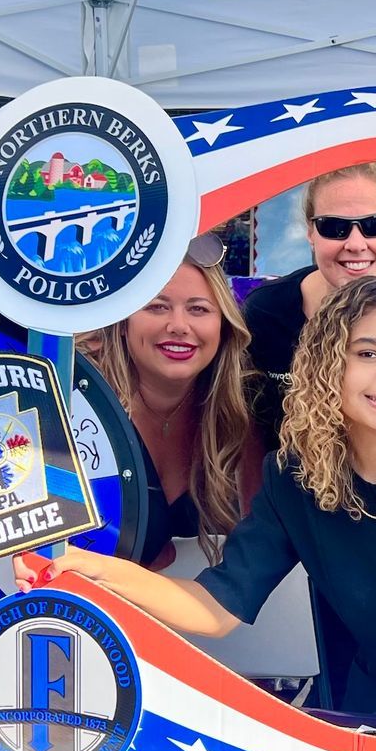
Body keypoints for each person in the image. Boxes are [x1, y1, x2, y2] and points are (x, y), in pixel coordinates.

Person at [21, 275, 376, 733]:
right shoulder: (295, 476)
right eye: (369, 353)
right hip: (374, 715)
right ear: (330, 364)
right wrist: (94, 571)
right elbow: (215, 608)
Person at [74, 236, 261, 569]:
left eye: (198, 309)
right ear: (123, 321)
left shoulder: (240, 411)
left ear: (223, 325)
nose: (178, 326)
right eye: (157, 306)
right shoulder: (79, 403)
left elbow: (258, 549)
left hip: (199, 612)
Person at [242, 162, 376, 453]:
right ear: (311, 232)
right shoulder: (266, 312)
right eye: (334, 227)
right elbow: (249, 431)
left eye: (375, 225)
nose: (355, 243)